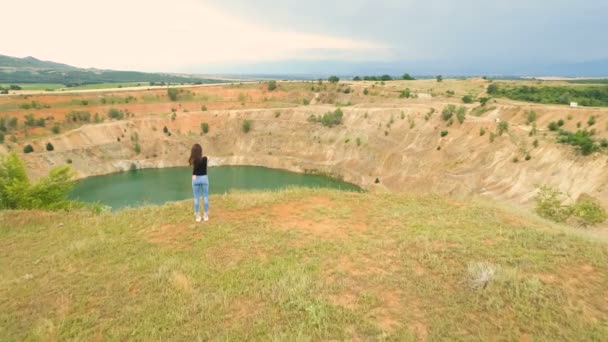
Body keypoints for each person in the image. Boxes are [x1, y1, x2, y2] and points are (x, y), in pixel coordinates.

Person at [189, 143, 209, 222]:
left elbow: (193, 169)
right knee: (205, 197)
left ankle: (197, 216)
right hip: (204, 178)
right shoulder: (205, 158)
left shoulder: (192, 160)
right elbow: (205, 168)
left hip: (195, 178)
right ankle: (205, 215)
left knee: (196, 198)